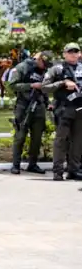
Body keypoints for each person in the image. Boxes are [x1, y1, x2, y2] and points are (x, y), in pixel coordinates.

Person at [41, 42, 82, 181]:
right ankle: (58, 172)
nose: (73, 54)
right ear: (64, 54)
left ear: (79, 54)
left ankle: (74, 171)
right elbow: (44, 87)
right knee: (61, 141)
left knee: (77, 142)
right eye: (70, 52)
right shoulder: (57, 69)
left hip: (79, 109)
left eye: (76, 51)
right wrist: (63, 83)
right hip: (64, 109)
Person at [9, 52, 49, 175]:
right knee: (20, 136)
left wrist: (47, 102)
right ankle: (15, 165)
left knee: (37, 138)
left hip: (39, 106)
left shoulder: (44, 71)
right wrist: (31, 85)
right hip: (24, 106)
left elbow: (45, 89)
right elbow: (12, 85)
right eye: (44, 63)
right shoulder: (22, 67)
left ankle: (33, 164)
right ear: (38, 59)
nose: (45, 66)